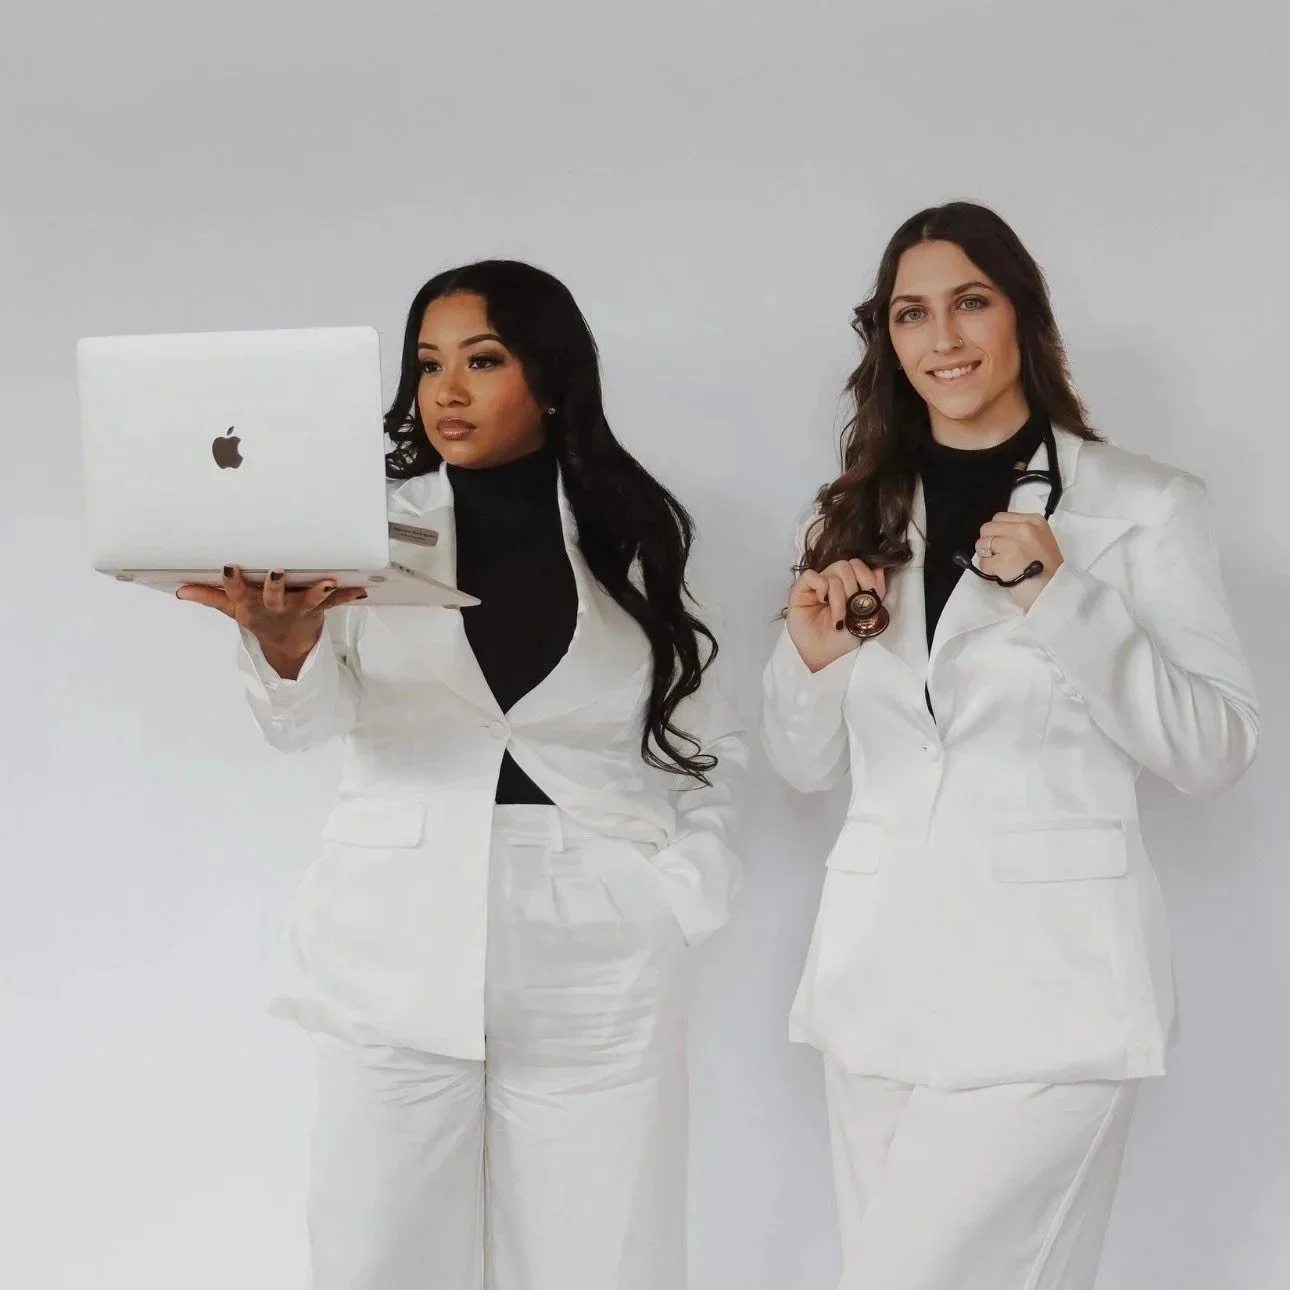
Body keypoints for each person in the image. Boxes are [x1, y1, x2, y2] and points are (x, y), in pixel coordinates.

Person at [178, 260, 746, 1290]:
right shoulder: (352, 528)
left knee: (603, 1259)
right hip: (396, 935)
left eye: (482, 360)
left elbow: (703, 745)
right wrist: (284, 645)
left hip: (599, 940)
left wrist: (679, 895)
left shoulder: (633, 534)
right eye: (428, 363)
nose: (445, 390)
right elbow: (306, 726)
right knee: (375, 1256)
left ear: (551, 376)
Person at [761, 202, 1259, 1290]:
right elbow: (804, 769)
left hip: (1054, 987)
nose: (942, 338)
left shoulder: (1142, 507)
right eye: (910, 314)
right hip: (878, 987)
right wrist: (810, 659)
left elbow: (1216, 748)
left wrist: (1065, 599)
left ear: (1022, 313)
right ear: (886, 341)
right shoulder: (851, 519)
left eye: (969, 302)